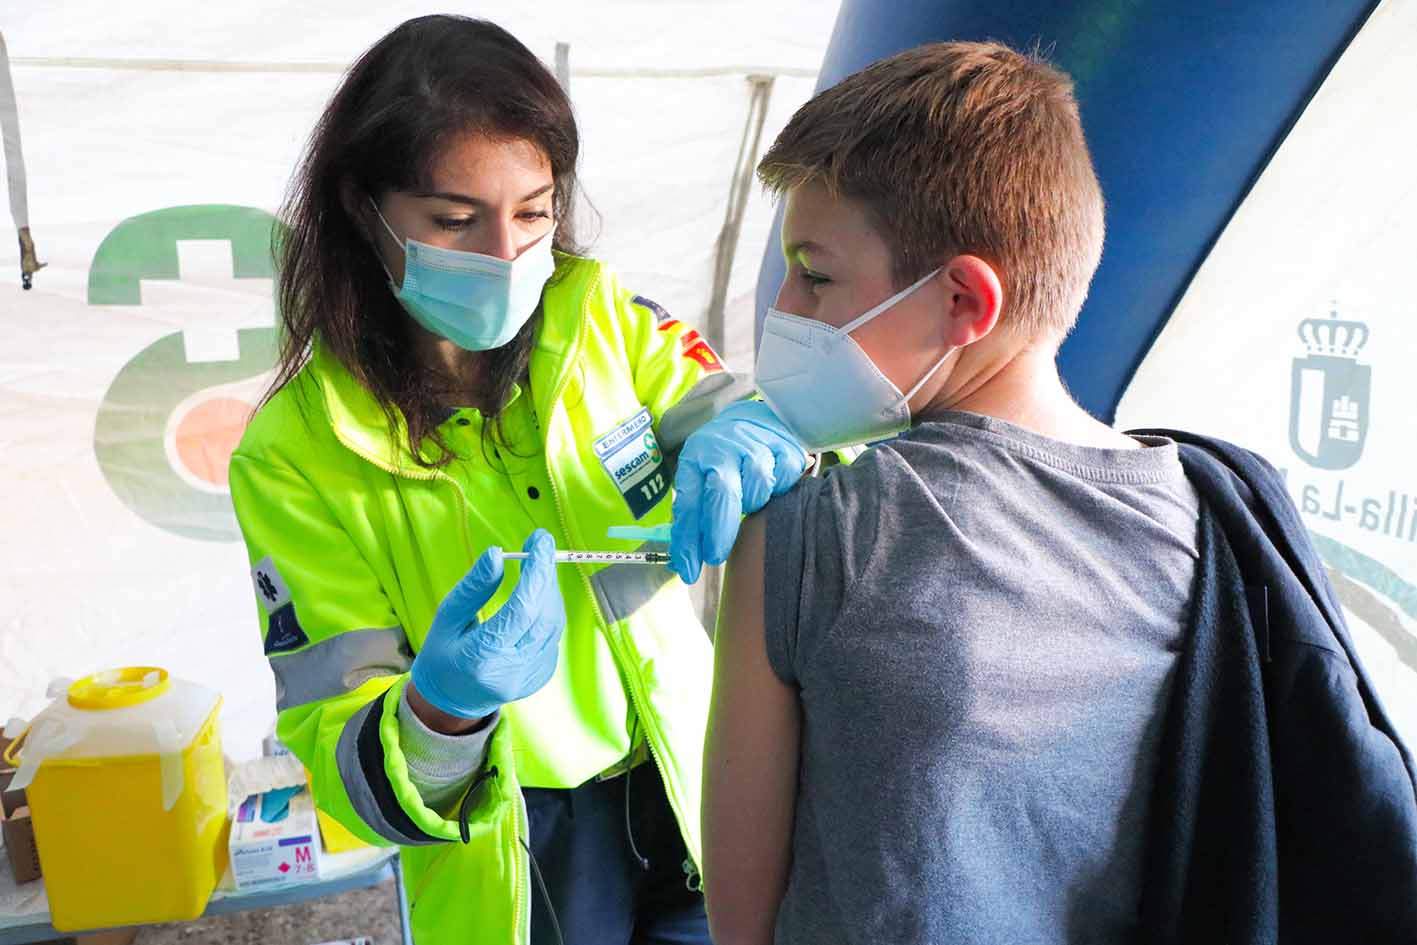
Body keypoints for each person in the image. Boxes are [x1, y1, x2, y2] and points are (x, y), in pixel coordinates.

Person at [701, 39, 1417, 945]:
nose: (785, 312)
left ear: (964, 299)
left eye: (815, 272)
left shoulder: (812, 535)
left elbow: (740, 923)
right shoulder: (1215, 512)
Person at [229, 15, 803, 945]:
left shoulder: (606, 318)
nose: (506, 253)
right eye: (454, 220)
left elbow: (738, 415)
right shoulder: (296, 454)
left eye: (534, 211)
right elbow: (340, 751)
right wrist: (440, 711)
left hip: (691, 782)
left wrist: (757, 430)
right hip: (518, 847)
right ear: (360, 208)